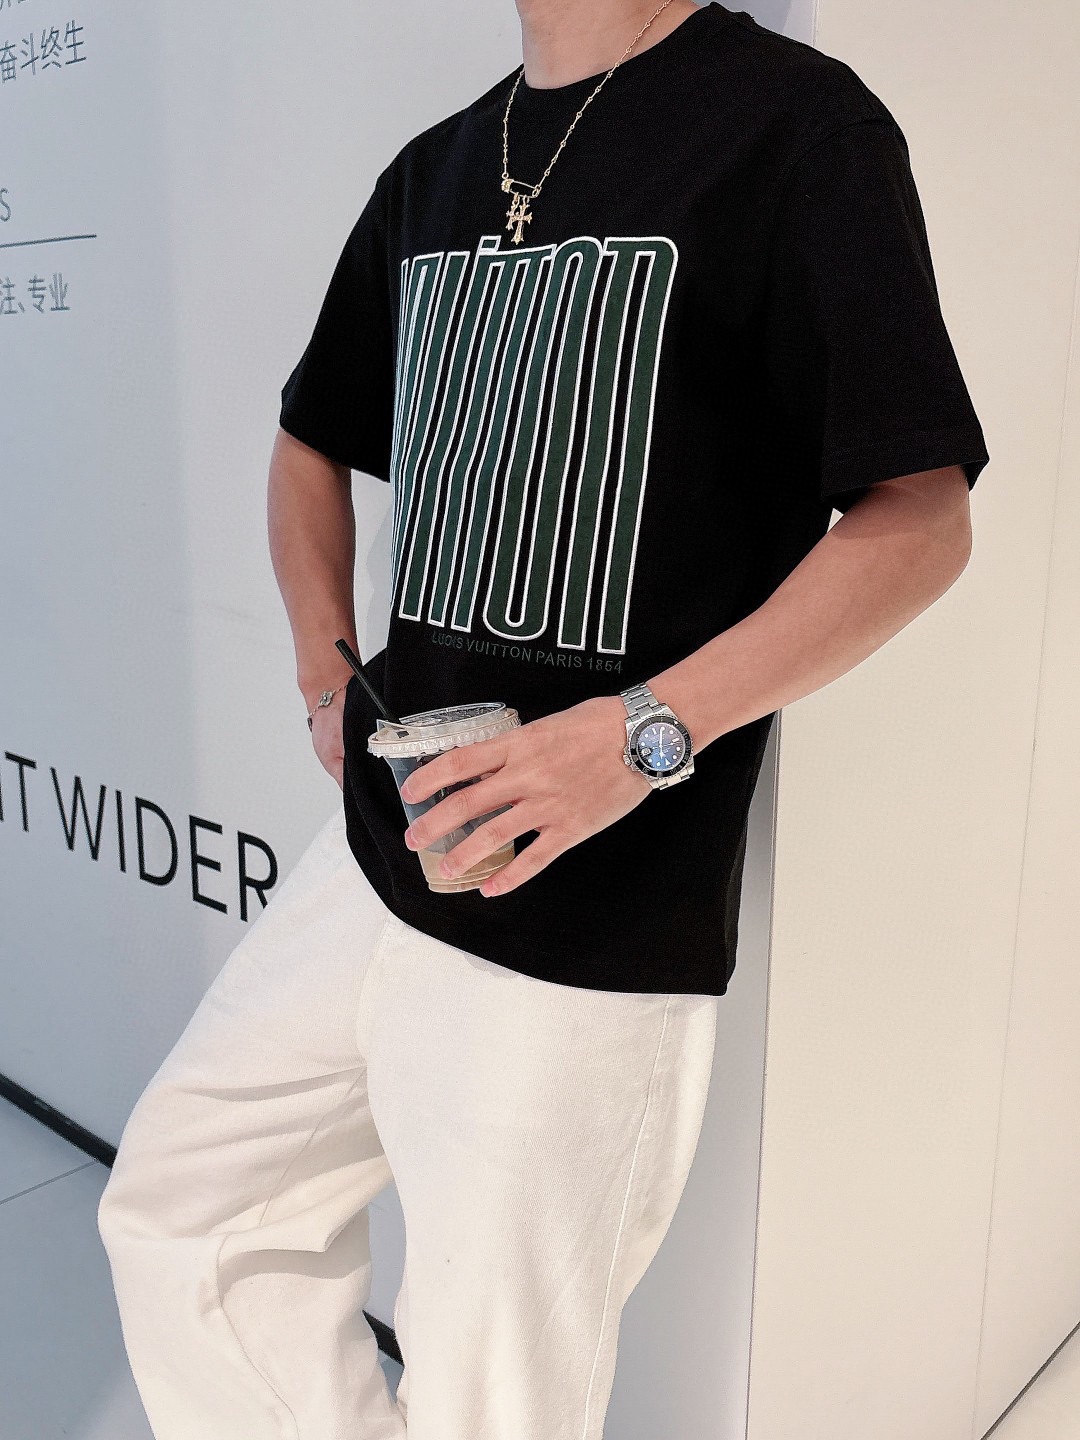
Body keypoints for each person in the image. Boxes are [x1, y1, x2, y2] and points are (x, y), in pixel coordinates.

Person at [97, 2, 990, 1437]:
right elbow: (312, 435)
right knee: (189, 1210)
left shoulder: (795, 127)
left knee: (492, 1393)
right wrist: (329, 675)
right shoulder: (439, 167)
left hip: (593, 907)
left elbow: (921, 518)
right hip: (384, 848)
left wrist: (638, 736)